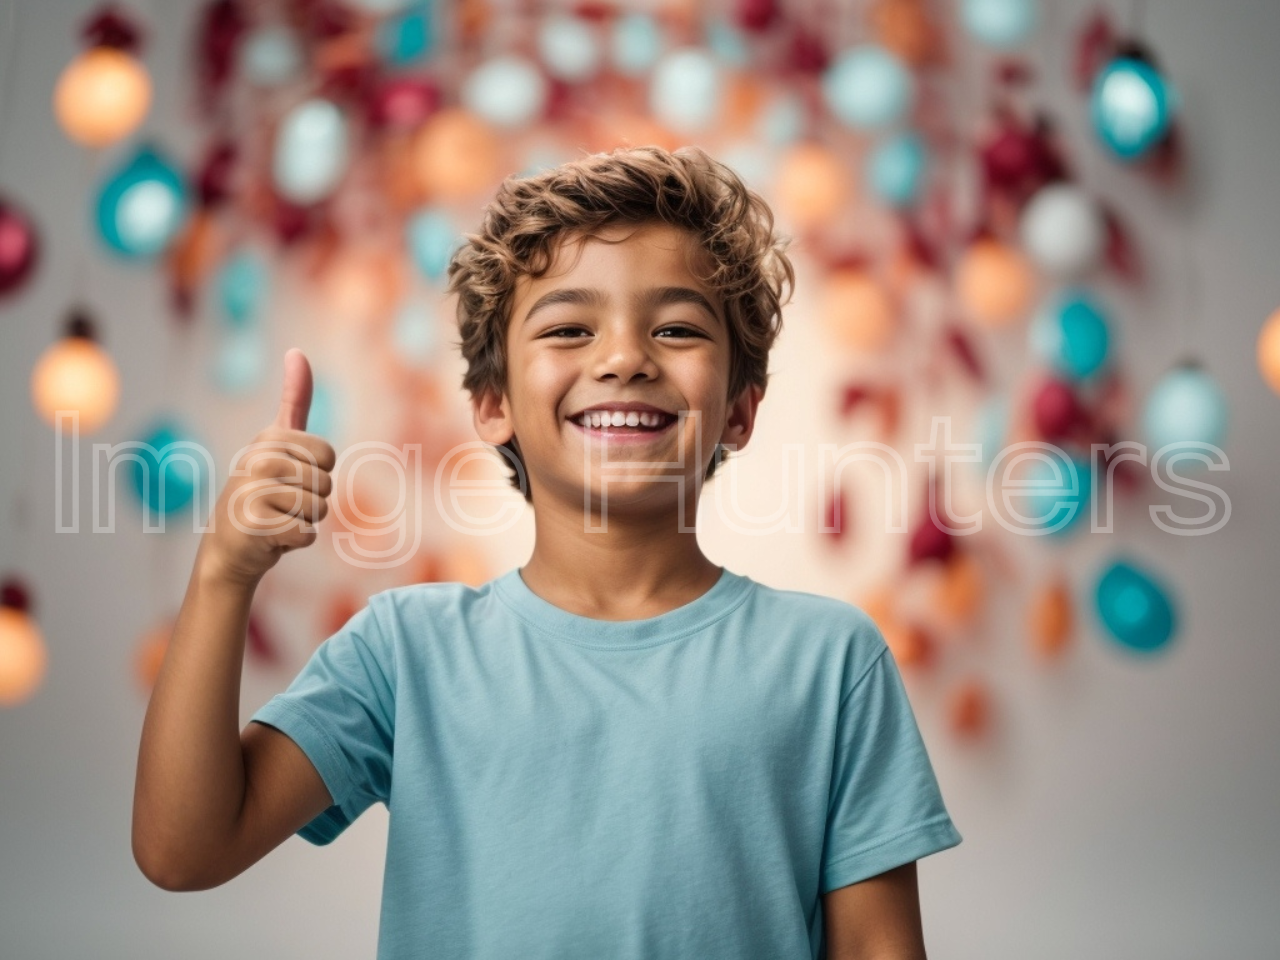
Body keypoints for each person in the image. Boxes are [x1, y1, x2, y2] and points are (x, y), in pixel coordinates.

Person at [133, 145, 961, 959]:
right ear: (493, 404)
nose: (625, 358)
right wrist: (222, 574)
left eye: (675, 327)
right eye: (569, 327)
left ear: (742, 410)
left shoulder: (831, 662)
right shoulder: (404, 652)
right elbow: (184, 849)